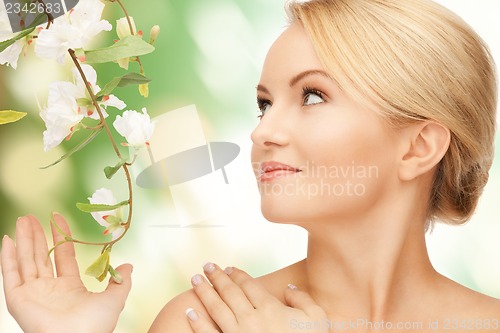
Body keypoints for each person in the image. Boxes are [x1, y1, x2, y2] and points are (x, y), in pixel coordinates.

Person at [1, 0, 499, 332]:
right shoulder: (202, 321)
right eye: (264, 103)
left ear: (418, 147)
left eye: (312, 95)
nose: (262, 132)